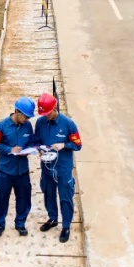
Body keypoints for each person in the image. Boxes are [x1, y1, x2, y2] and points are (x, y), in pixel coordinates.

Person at [33, 92, 82, 243]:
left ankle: (66, 225)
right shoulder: (40, 123)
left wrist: (64, 145)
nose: (46, 116)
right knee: (48, 194)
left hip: (62, 168)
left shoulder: (68, 124)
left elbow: (78, 145)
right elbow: (36, 141)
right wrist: (40, 150)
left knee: (65, 198)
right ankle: (52, 218)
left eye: (48, 113)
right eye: (43, 114)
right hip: (47, 166)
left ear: (55, 108)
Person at [0, 96, 37, 238]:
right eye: (25, 116)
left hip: (22, 170)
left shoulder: (27, 126)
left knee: (24, 197)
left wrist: (27, 150)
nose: (27, 119)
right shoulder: (1, 126)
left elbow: (31, 141)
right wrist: (10, 150)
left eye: (28, 117)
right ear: (17, 112)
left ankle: (20, 223)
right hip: (5, 171)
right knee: (2, 198)